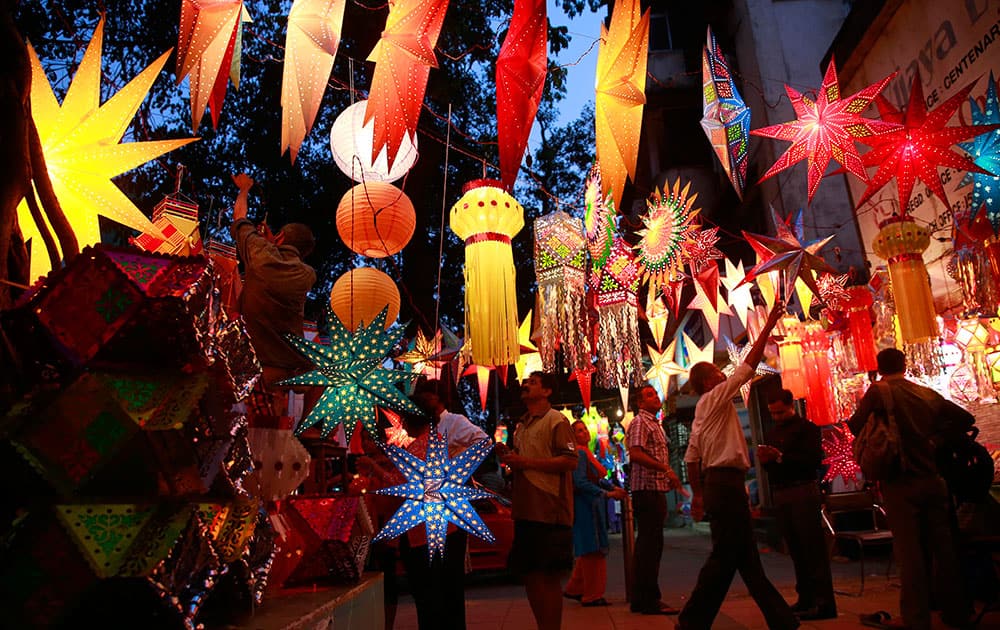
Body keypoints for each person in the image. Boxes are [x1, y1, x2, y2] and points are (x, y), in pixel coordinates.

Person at [677, 301, 799, 630]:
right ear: (708, 382)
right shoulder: (714, 397)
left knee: (747, 561)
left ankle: (781, 619)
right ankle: (691, 621)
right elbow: (748, 367)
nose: (724, 374)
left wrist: (700, 494)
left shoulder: (706, 408)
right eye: (719, 373)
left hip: (722, 484)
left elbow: (691, 456)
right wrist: (768, 324)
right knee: (724, 558)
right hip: (725, 486)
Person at [848, 348, 973, 630]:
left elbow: (856, 424)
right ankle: (957, 615)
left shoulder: (879, 391)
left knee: (910, 555)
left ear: (879, 368)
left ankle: (918, 620)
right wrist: (935, 439)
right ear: (905, 365)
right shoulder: (926, 394)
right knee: (944, 551)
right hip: (933, 480)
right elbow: (965, 419)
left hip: (900, 482)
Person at [496, 371, 578, 630]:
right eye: (526, 382)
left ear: (547, 392)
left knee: (548, 576)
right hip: (524, 510)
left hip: (549, 510)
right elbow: (523, 463)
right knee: (530, 576)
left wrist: (525, 462)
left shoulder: (557, 421)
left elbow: (570, 460)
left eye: (533, 382)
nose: (526, 385)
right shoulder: (521, 425)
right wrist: (509, 458)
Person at [230, 173, 316, 389]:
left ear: (279, 237)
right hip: (292, 371)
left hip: (255, 364)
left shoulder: (259, 252)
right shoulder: (308, 275)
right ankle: (309, 423)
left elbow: (239, 216)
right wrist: (272, 243)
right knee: (325, 377)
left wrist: (244, 189)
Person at [759, 388, 836, 620]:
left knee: (811, 546)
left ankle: (823, 602)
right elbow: (770, 468)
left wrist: (781, 457)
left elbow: (813, 460)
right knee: (795, 547)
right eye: (773, 413)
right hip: (782, 491)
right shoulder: (772, 432)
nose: (777, 417)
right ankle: (806, 597)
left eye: (781, 412)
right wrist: (769, 460)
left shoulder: (807, 429)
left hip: (803, 489)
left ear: (790, 406)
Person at [626, 384, 688, 615]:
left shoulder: (655, 424)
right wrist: (664, 468)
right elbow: (636, 453)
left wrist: (668, 475)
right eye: (649, 395)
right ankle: (647, 599)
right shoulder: (640, 422)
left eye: (655, 393)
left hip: (657, 489)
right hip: (647, 490)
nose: (655, 397)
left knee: (652, 545)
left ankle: (643, 598)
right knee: (649, 546)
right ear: (640, 403)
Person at [564, 420, 627, 607]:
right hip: (587, 506)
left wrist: (612, 487)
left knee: (590, 548)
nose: (584, 433)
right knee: (593, 549)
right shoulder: (580, 454)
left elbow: (596, 478)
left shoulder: (586, 453)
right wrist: (607, 493)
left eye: (584, 429)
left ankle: (575, 588)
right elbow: (581, 482)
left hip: (591, 504)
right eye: (579, 431)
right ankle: (591, 594)